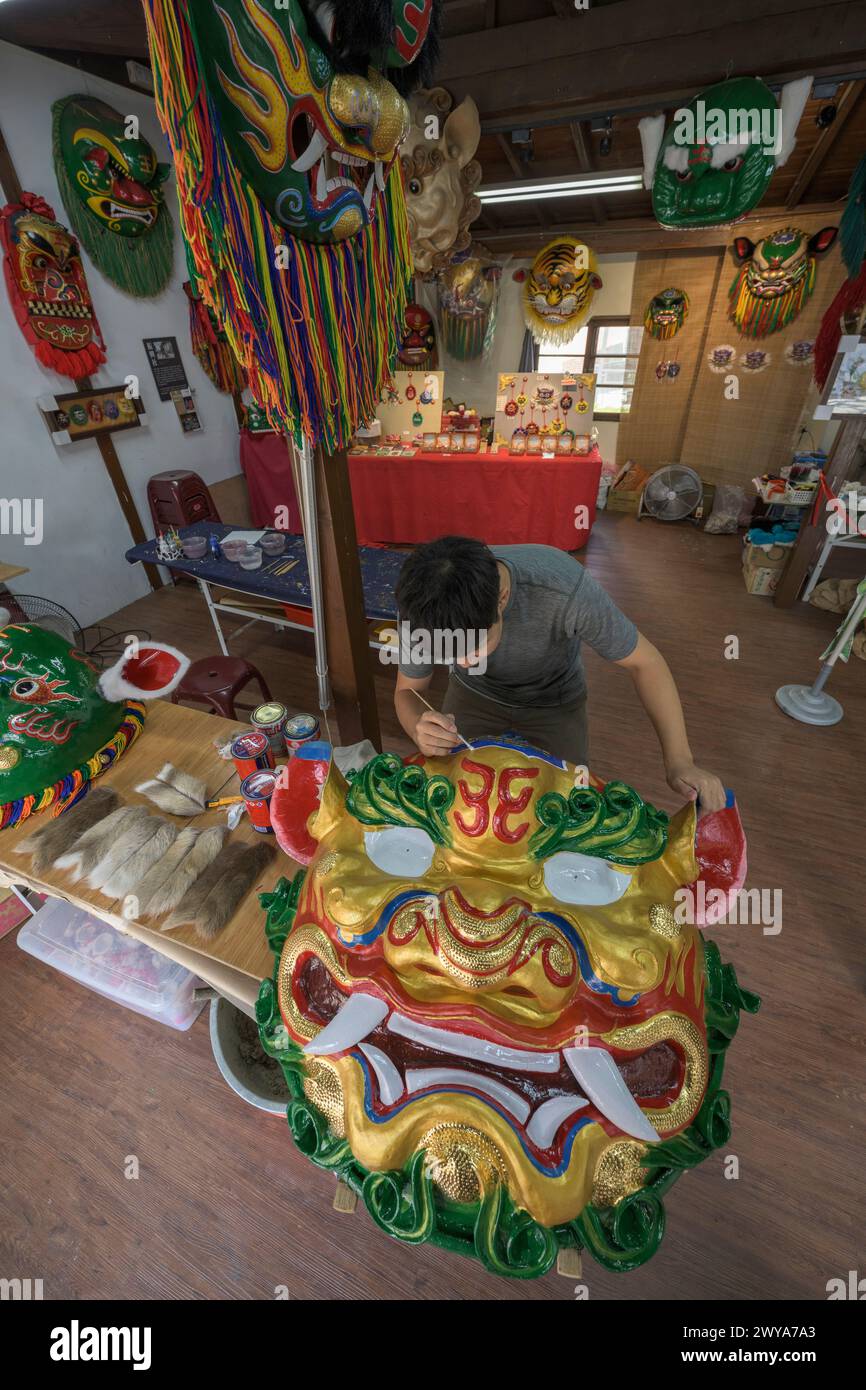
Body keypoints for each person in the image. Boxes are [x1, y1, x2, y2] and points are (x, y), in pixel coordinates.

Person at [393, 535, 726, 812]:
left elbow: (646, 663)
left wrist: (680, 760)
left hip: (554, 701)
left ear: (502, 599)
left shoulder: (563, 589)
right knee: (454, 801)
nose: (463, 663)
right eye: (449, 654)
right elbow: (408, 691)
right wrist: (418, 726)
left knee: (565, 807)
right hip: (474, 697)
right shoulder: (423, 608)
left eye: (473, 649)